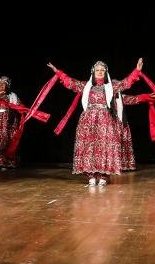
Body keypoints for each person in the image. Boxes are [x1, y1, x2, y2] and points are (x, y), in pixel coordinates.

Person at [47, 58, 143, 186]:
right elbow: (70, 82)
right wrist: (57, 72)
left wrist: (137, 70)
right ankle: (91, 176)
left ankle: (103, 176)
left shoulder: (111, 86)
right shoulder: (86, 86)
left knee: (105, 147)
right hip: (88, 121)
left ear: (106, 72)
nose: (100, 72)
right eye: (97, 70)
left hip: (106, 120)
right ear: (93, 71)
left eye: (102, 70)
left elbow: (126, 83)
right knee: (89, 147)